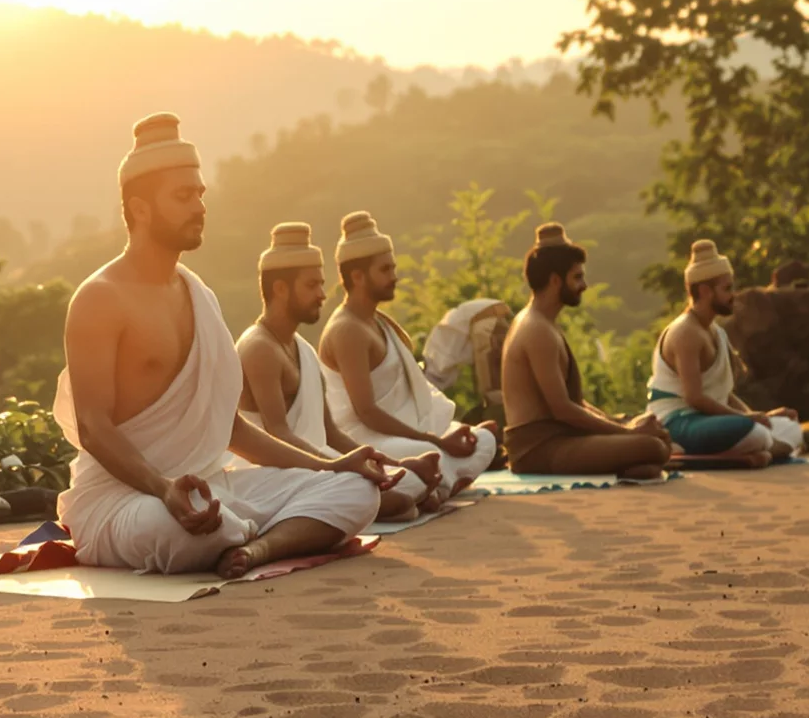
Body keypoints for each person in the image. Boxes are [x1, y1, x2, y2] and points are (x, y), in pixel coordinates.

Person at [55, 116, 388, 578]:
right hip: (123, 500)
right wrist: (164, 487)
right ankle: (249, 533)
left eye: (200, 194)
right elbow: (93, 426)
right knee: (180, 525)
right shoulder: (99, 298)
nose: (199, 206)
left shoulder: (199, 296)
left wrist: (331, 466)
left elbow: (234, 431)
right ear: (142, 209)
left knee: (357, 490)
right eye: (182, 196)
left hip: (207, 488)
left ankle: (256, 549)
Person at [235, 222, 434, 520]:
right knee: (395, 498)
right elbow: (278, 434)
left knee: (408, 483)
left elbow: (330, 432)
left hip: (313, 466)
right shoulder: (259, 347)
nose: (322, 294)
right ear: (280, 289)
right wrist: (339, 467)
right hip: (271, 470)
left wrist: (397, 463)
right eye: (311, 285)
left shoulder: (302, 348)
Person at [318, 211, 499, 495]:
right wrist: (436, 441)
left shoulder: (377, 321)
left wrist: (442, 435)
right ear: (358, 276)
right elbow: (366, 413)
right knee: (428, 455)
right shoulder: (347, 330)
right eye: (385, 270)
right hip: (365, 439)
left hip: (404, 433)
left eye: (393, 268)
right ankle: (432, 484)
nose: (394, 276)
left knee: (484, 439)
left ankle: (435, 485)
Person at [500, 222, 671, 477]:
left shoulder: (546, 324)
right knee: (651, 446)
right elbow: (562, 409)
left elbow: (574, 403)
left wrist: (619, 422)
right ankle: (630, 460)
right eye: (577, 277)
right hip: (537, 450)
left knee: (656, 436)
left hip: (560, 439)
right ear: (556, 280)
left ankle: (630, 463)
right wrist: (628, 433)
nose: (584, 285)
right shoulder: (535, 329)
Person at [647, 240, 801, 463]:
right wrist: (749, 420)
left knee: (788, 426)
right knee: (753, 431)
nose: (733, 295)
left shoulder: (716, 332)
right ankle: (760, 450)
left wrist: (762, 417)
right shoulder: (685, 333)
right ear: (705, 291)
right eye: (727, 288)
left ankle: (758, 451)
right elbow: (695, 398)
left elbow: (723, 395)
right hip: (678, 422)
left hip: (711, 421)